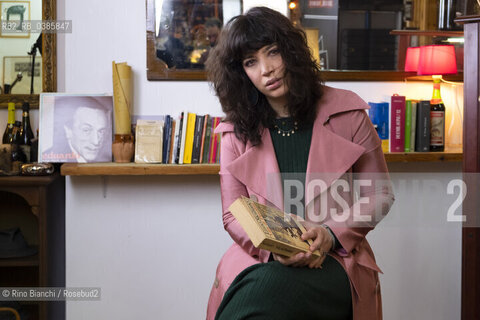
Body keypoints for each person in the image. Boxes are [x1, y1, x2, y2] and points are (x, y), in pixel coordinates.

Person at [205, 6, 395, 320]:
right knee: (263, 286)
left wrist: (330, 234)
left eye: (273, 52)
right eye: (251, 62)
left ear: (291, 52)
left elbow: (380, 195)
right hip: (260, 258)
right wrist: (274, 248)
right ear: (241, 73)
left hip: (336, 258)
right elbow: (232, 212)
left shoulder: (348, 113)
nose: (266, 69)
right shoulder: (234, 131)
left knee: (265, 294)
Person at [41, 96, 112, 163]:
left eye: (101, 131)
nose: (96, 141)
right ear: (68, 131)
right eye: (86, 130)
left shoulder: (105, 158)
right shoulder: (48, 159)